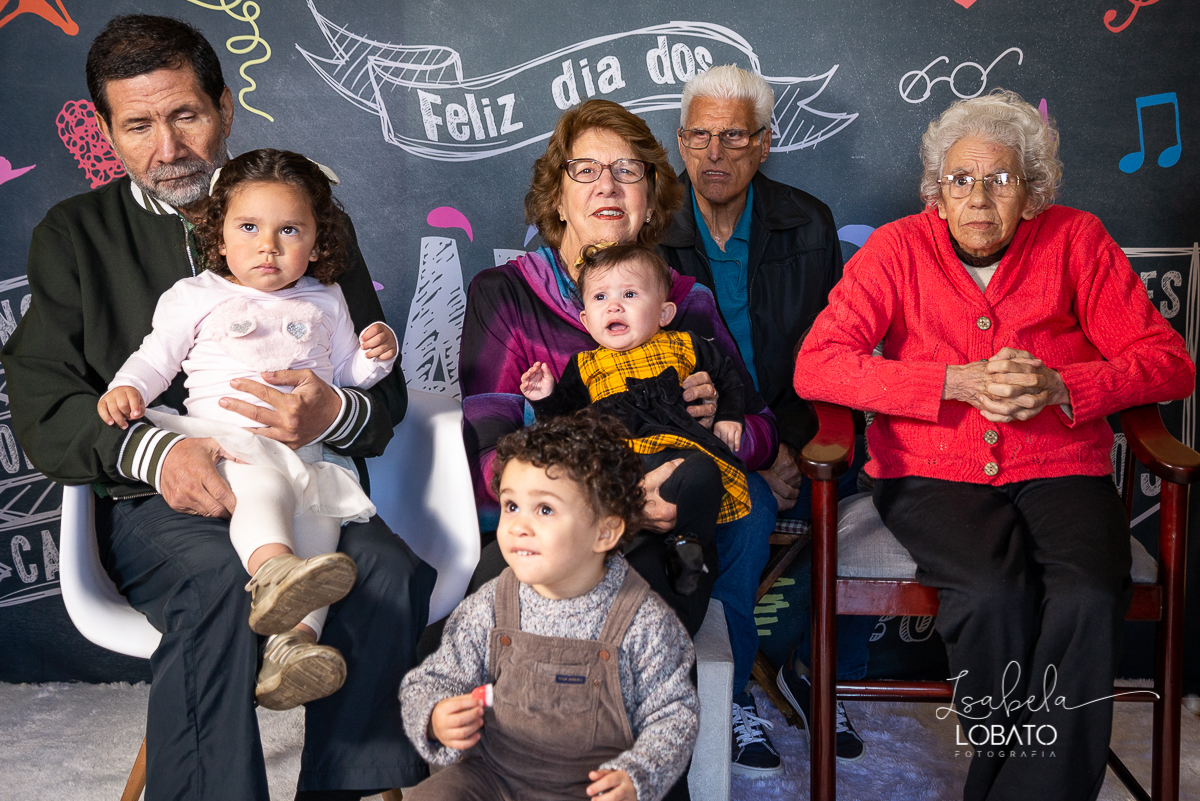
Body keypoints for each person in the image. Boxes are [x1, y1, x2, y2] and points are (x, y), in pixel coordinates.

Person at [0, 16, 435, 800]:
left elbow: (384, 392)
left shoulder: (308, 217)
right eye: (137, 126)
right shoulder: (75, 235)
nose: (167, 149)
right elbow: (43, 400)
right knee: (216, 586)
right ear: (107, 132)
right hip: (160, 504)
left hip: (299, 477)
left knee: (389, 575)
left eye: (186, 117)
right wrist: (158, 454)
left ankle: (341, 787)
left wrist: (330, 411)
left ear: (226, 110)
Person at [793, 89, 1194, 801]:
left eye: (1001, 180)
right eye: (960, 180)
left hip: (1060, 464)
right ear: (936, 194)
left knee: (1088, 591)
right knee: (991, 594)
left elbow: (1168, 362)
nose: (979, 197)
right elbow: (818, 363)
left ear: (1033, 193)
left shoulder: (1077, 240)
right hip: (931, 470)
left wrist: (1065, 387)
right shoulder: (896, 249)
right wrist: (950, 381)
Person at [458, 97, 779, 790]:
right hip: (564, 520)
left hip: (680, 529)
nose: (608, 185)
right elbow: (489, 457)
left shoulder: (681, 298)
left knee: (743, 495)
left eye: (628, 170)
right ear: (558, 194)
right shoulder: (505, 294)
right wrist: (620, 507)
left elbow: (758, 432)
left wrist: (722, 416)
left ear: (650, 196)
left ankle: (682, 723)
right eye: (587, 170)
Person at [98, 148, 401, 710]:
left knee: (323, 531)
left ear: (317, 242)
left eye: (290, 230)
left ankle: (293, 647)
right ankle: (272, 572)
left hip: (307, 451)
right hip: (228, 443)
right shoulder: (196, 296)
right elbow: (156, 356)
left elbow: (343, 375)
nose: (269, 245)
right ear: (219, 239)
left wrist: (374, 357)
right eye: (249, 227)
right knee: (262, 488)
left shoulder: (326, 298)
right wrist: (130, 388)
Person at [658, 64, 869, 768]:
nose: (714, 153)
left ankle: (811, 668)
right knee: (739, 510)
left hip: (796, 427)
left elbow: (828, 357)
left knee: (849, 489)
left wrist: (790, 447)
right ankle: (736, 694)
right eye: (699, 135)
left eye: (733, 136)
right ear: (680, 141)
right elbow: (660, 375)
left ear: (765, 143)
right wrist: (754, 452)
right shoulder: (654, 227)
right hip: (706, 435)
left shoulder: (805, 221)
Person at [401, 414, 699, 801]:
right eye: (511, 506)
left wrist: (636, 775)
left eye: (544, 510)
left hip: (591, 788)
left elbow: (673, 715)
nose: (518, 526)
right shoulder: (491, 604)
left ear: (605, 531)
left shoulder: (644, 621)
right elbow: (434, 680)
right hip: (494, 779)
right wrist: (434, 714)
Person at [522, 242, 749, 595]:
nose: (614, 305)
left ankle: (687, 547)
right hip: (618, 466)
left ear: (663, 313)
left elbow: (728, 376)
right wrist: (546, 396)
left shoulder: (684, 345)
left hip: (678, 456)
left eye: (629, 294)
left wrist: (730, 416)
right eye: (599, 298)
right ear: (585, 319)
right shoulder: (584, 366)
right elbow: (563, 427)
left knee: (703, 474)